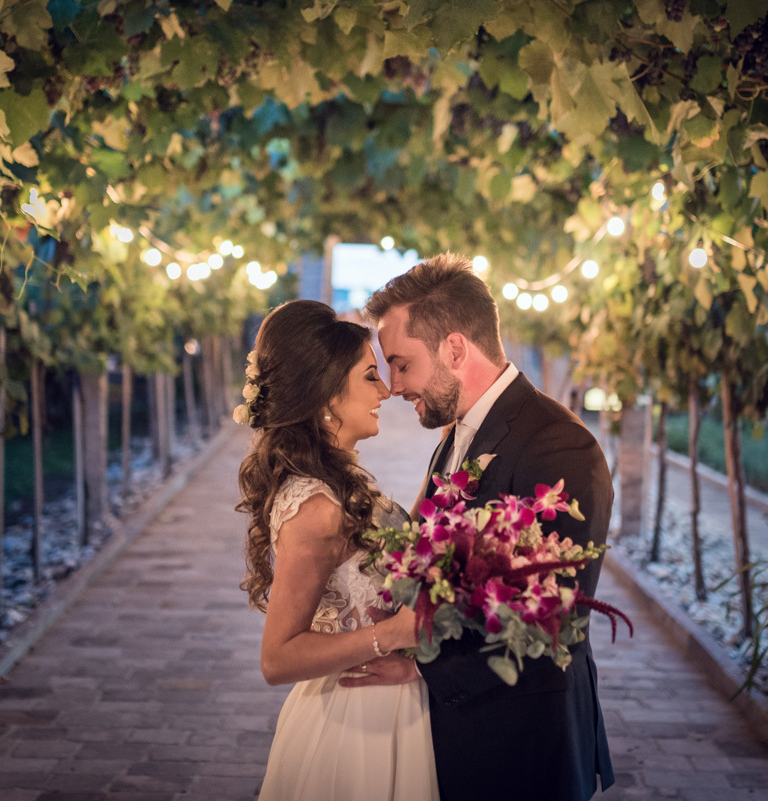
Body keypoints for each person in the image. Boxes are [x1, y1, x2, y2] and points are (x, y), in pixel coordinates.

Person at [351, 253, 616, 801]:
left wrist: (422, 669)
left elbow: (551, 616)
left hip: (522, 742)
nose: (395, 385)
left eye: (402, 363)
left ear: (454, 348)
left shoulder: (558, 445)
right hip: (462, 735)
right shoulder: (456, 434)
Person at [236, 299, 440, 801]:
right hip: (352, 725)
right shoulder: (316, 508)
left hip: (390, 707)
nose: (386, 390)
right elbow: (277, 659)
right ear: (327, 393)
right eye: (371, 376)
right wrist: (392, 633)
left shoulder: (338, 482)